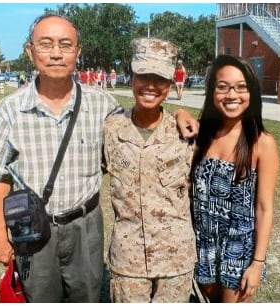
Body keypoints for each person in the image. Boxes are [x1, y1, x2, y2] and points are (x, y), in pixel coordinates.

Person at [0, 13, 199, 303]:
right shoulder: (8, 110)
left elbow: (143, 121)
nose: (56, 52)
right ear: (30, 51)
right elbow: (0, 177)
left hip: (86, 226)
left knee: (88, 296)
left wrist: (180, 114)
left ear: (78, 52)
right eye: (46, 44)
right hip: (35, 229)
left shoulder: (102, 105)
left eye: (65, 44)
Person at [103, 37, 197, 303]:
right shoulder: (110, 130)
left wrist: (181, 112)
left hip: (175, 260)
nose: (151, 86)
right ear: (132, 77)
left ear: (170, 85)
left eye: (161, 79)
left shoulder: (186, 133)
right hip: (128, 260)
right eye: (144, 76)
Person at [190, 54, 280, 303]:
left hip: (238, 251)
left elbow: (264, 208)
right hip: (202, 244)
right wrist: (180, 115)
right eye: (223, 87)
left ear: (252, 93)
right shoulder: (200, 135)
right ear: (212, 92)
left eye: (242, 87)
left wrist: (257, 264)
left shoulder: (263, 144)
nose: (232, 95)